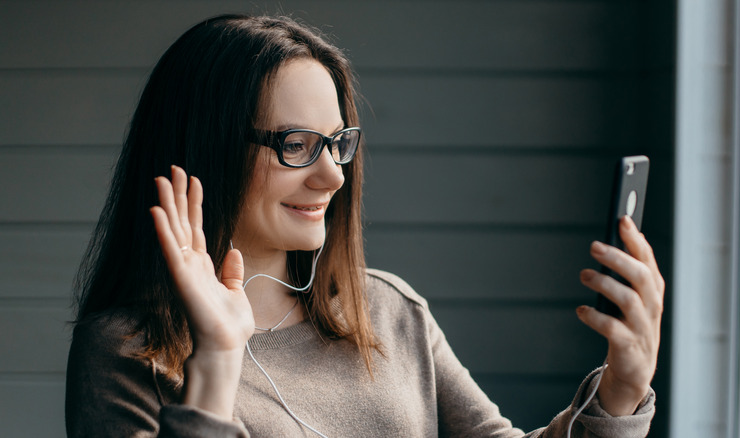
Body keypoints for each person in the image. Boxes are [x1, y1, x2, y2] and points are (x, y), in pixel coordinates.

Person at [65, 14, 663, 437]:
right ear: (205, 149)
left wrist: (620, 391)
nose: (332, 177)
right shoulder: (123, 353)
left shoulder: (387, 308)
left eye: (337, 144)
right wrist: (218, 358)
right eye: (296, 145)